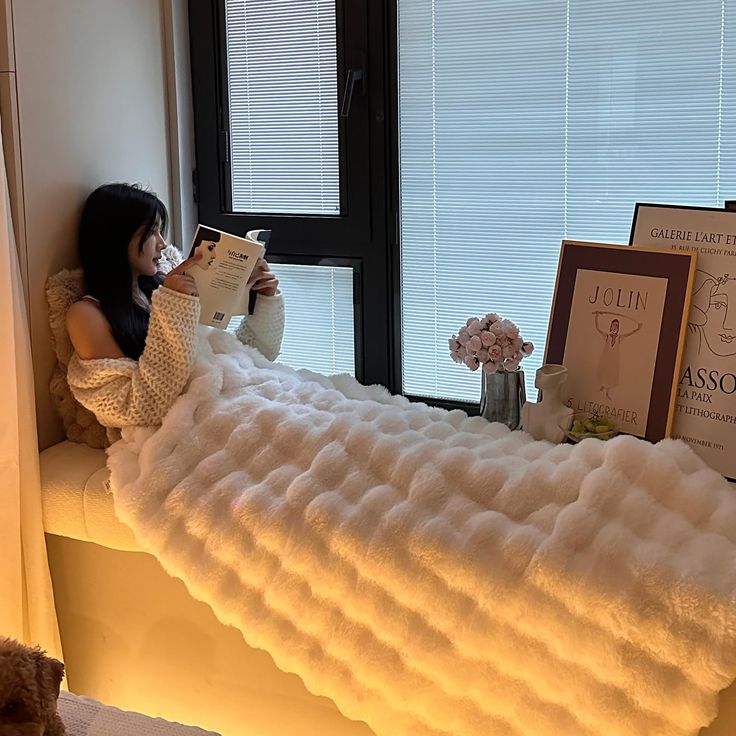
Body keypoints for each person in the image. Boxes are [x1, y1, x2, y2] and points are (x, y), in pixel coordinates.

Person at [65, 183, 283, 435]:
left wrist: (265, 299)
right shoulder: (86, 315)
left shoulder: (159, 287)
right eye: (151, 233)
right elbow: (136, 407)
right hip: (190, 426)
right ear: (116, 238)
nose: (163, 244)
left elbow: (251, 352)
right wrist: (173, 302)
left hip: (227, 398)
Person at [592, 311, 642, 402]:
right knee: (604, 370)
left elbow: (630, 333)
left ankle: (607, 391)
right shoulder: (606, 336)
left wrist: (638, 328)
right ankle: (602, 386)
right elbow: (597, 328)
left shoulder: (620, 337)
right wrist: (597, 316)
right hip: (606, 357)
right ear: (611, 326)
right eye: (613, 325)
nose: (615, 327)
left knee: (611, 373)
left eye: (616, 326)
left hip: (614, 360)